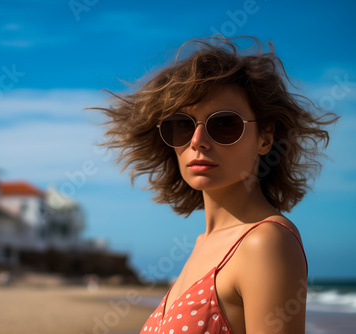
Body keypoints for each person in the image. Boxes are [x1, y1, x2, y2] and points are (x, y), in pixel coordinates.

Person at [93, 36, 338, 333]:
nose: (197, 141)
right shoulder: (204, 244)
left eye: (223, 123)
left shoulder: (265, 242)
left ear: (265, 138)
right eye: (182, 124)